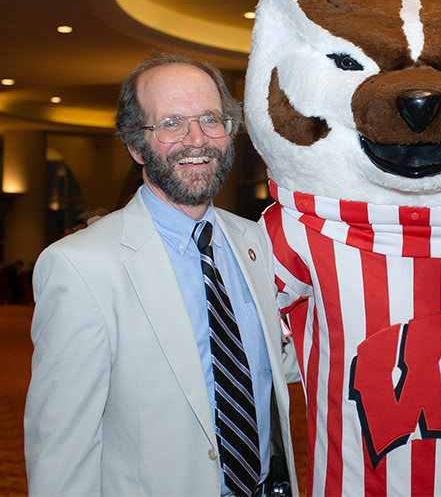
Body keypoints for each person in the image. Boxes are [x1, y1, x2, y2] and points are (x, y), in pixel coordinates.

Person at [24, 52, 299, 497]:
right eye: (171, 123)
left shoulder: (260, 243)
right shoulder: (81, 267)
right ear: (136, 145)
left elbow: (276, 364)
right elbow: (61, 448)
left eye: (211, 119)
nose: (197, 139)